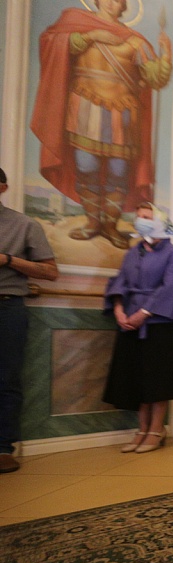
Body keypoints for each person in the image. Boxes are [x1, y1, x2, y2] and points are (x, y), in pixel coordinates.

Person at [31, 0, 172, 249]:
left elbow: (156, 78)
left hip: (123, 115)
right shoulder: (76, 26)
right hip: (86, 108)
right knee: (86, 166)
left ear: (123, 7)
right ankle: (93, 222)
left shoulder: (135, 41)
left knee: (118, 172)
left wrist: (166, 54)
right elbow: (52, 44)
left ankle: (110, 226)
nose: (110, 2)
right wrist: (93, 35)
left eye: (117, 0)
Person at [102, 203, 173, 453]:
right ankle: (141, 429)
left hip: (158, 323)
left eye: (147, 217)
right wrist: (119, 310)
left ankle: (156, 429)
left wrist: (145, 312)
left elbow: (171, 285)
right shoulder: (133, 252)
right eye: (138, 216)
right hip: (129, 322)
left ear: (160, 221)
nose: (141, 220)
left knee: (157, 379)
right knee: (137, 376)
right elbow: (119, 282)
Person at [0, 167, 59, 472]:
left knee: (7, 378)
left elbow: (50, 272)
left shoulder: (24, 225)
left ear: (3, 188)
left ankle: (3, 448)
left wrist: (8, 260)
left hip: (7, 306)